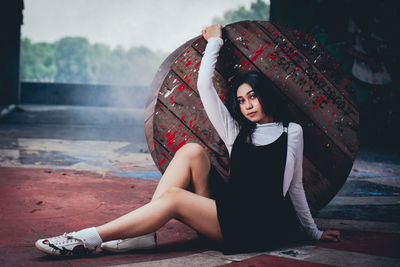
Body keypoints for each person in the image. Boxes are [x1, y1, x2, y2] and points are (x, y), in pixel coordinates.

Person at [35, 24, 341, 257]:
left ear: (264, 97)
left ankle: (85, 239)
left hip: (253, 229)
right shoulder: (237, 133)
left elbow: (296, 186)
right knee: (192, 152)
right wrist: (215, 42)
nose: (247, 105)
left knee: (174, 200)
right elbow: (204, 86)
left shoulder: (292, 133)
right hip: (224, 215)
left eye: (253, 96)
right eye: (241, 100)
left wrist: (313, 232)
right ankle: (144, 234)